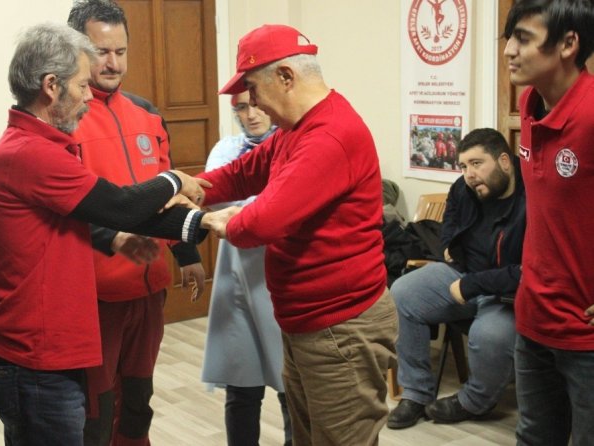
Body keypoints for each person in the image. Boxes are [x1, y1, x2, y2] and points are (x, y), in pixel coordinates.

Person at [0, 23, 209, 446]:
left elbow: (119, 213)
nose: (88, 96)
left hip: (42, 355)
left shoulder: (40, 146)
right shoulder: (31, 154)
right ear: (51, 86)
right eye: (82, 85)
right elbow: (120, 207)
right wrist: (174, 179)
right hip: (33, 361)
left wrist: (203, 225)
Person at [199, 24, 397, 445]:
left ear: (286, 77)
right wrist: (190, 187)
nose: (252, 103)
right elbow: (244, 173)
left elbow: (265, 221)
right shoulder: (296, 129)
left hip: (341, 329)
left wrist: (223, 222)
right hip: (307, 322)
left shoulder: (330, 134)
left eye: (253, 88)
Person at [67, 2, 206, 444]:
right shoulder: (64, 120)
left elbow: (169, 194)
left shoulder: (147, 114)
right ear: (76, 50)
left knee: (138, 402)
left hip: (149, 289)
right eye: (101, 52)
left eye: (121, 51)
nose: (113, 63)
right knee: (97, 409)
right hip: (96, 297)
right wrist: (112, 237)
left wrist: (187, 254)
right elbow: (66, 208)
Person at [386, 128, 525, 430]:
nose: (469, 174)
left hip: (508, 291)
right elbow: (450, 217)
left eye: (477, 163)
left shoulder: (534, 195)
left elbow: (529, 269)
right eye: (463, 166)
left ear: (504, 161)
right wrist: (448, 243)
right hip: (463, 273)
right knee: (403, 292)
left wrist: (472, 285)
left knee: (490, 335)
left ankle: (473, 402)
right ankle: (416, 393)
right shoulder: (465, 187)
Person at [503, 1, 594, 444]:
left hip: (585, 332)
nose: (509, 50)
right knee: (534, 437)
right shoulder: (529, 102)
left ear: (568, 44)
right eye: (509, 38)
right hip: (534, 315)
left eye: (523, 39)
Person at [201, 91, 291, 446]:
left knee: (290, 382)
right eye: (241, 107)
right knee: (241, 378)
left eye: (255, 105)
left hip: (280, 271)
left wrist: (247, 209)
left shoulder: (290, 147)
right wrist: (255, 207)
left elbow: (275, 208)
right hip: (236, 272)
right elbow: (217, 198)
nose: (250, 114)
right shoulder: (227, 149)